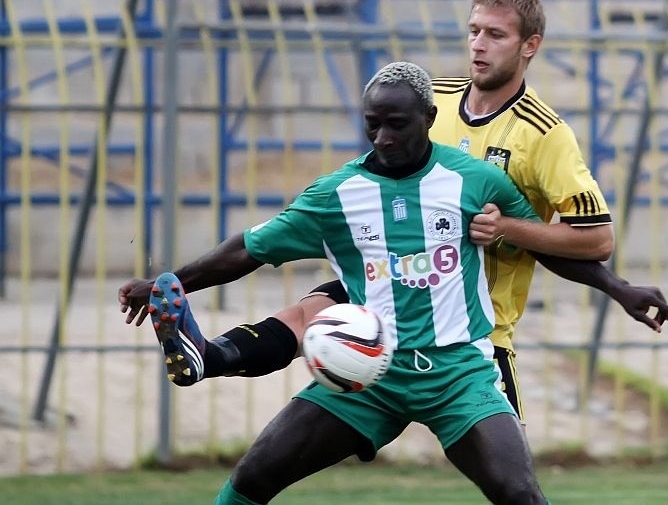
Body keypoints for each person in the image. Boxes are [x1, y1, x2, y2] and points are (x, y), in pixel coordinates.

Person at [150, 61, 553, 504]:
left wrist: (607, 282)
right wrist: (168, 283)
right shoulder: (336, 194)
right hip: (370, 374)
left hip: (458, 373)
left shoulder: (476, 179)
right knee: (252, 478)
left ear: (429, 118)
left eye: (396, 124)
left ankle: (213, 354)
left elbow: (540, 240)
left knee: (521, 494)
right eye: (372, 124)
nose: (383, 138)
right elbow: (248, 248)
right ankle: (211, 354)